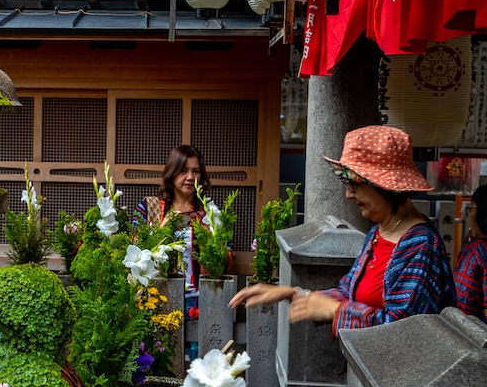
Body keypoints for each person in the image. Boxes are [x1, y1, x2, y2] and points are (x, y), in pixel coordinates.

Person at [228, 125, 452, 335]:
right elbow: (348, 292)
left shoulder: (420, 246)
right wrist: (295, 293)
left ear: (384, 186)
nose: (348, 195)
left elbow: (401, 330)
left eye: (355, 185)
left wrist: (336, 312)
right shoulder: (378, 232)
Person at [133, 145, 212, 331]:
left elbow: (226, 257)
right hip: (157, 297)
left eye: (195, 171)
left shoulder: (209, 213)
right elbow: (135, 251)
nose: (190, 177)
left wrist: (213, 242)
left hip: (199, 300)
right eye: (183, 170)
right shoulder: (149, 208)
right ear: (172, 172)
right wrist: (163, 227)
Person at [454, 179, 487, 331]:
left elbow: (462, 309)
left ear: (484, 213)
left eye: (471, 209)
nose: (470, 216)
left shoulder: (478, 250)